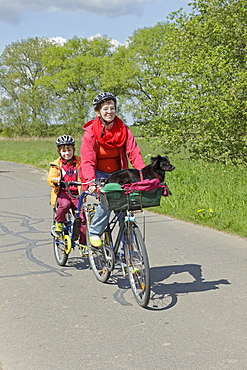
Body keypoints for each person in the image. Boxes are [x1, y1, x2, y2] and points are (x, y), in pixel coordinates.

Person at [80, 92, 145, 247]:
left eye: (112, 108)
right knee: (107, 201)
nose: (109, 112)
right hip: (98, 174)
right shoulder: (90, 133)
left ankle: (127, 258)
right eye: (105, 109)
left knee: (125, 209)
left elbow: (134, 153)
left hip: (119, 174)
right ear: (98, 112)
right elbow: (87, 160)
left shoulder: (124, 130)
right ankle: (95, 231)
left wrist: (144, 174)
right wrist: (91, 181)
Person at [47, 135, 86, 249]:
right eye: (64, 151)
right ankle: (58, 222)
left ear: (73, 150)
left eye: (69, 150)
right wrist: (54, 180)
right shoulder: (56, 165)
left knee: (82, 219)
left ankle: (83, 244)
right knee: (65, 204)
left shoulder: (80, 162)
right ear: (59, 152)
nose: (67, 153)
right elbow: (50, 178)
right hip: (63, 191)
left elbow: (85, 174)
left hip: (76, 193)